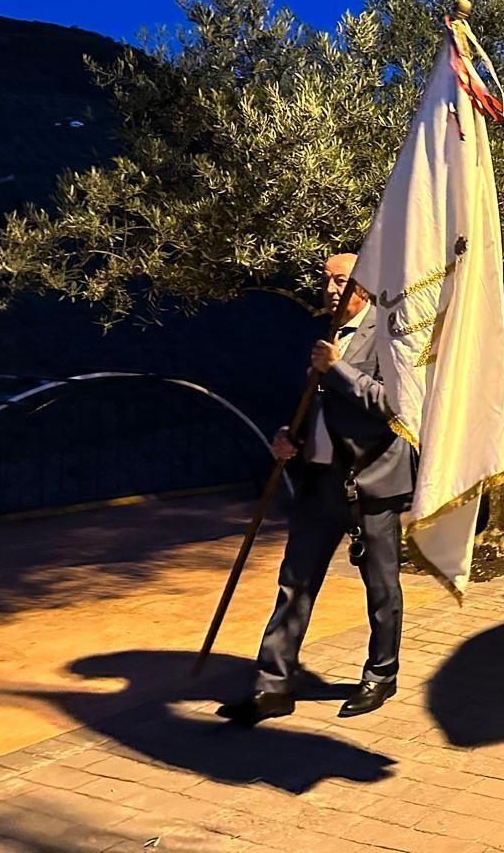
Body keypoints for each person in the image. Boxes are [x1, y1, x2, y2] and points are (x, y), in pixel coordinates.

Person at [218, 253, 414, 725]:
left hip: (371, 484)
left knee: (381, 586)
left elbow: (394, 404)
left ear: (364, 285)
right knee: (295, 583)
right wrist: (292, 437)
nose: (329, 287)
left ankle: (380, 675)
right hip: (317, 484)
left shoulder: (390, 333)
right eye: (325, 278)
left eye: (340, 279)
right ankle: (273, 686)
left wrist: (339, 368)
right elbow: (318, 409)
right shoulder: (328, 333)